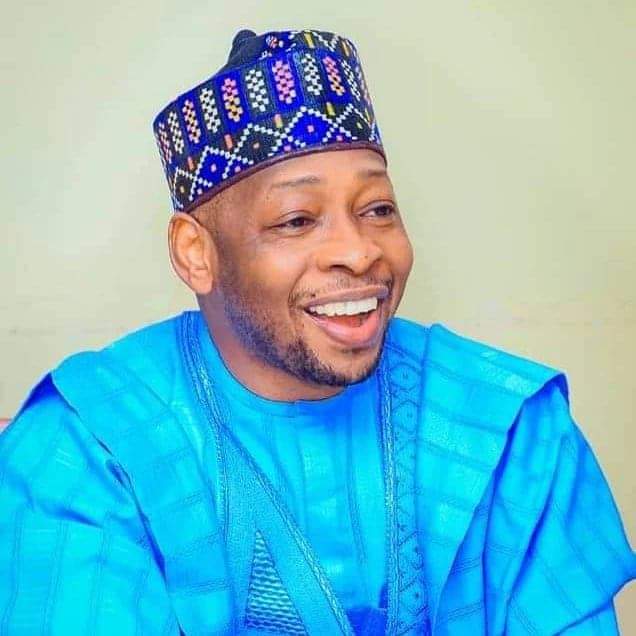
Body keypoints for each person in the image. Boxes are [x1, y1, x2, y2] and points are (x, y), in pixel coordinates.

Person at [0, 28, 633, 635]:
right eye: (297, 220)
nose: (359, 252)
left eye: (377, 210)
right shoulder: (89, 447)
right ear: (196, 252)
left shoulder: (510, 429)